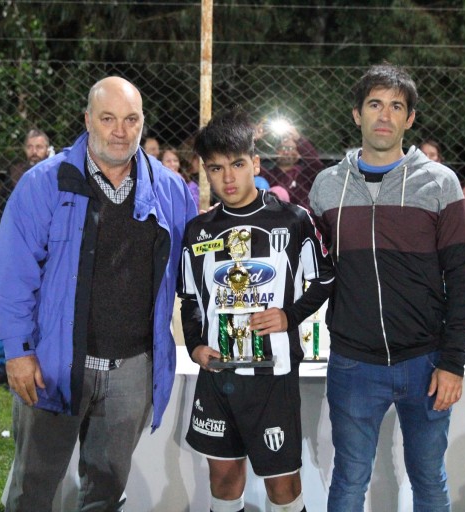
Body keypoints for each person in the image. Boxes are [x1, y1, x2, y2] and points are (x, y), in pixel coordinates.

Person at [0, 76, 197, 512]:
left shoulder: (171, 190)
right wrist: (17, 351)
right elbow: (13, 275)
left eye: (131, 119)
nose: (120, 131)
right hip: (53, 365)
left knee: (105, 494)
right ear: (87, 120)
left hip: (132, 371)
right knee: (32, 490)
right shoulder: (43, 184)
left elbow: (192, 274)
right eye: (108, 119)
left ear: (142, 123)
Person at [309, 63, 465, 511]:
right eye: (375, 104)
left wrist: (453, 362)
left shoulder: (440, 183)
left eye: (396, 106)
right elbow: (315, 270)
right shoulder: (326, 187)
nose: (384, 115)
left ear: (410, 118)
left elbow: (463, 279)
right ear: (357, 114)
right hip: (353, 363)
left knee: (428, 479)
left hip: (425, 361)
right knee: (348, 480)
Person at [178, 108, 334, 512]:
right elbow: (190, 299)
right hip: (218, 377)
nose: (228, 178)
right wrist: (195, 346)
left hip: (272, 378)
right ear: (205, 172)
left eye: (237, 164)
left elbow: (325, 278)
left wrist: (289, 316)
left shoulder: (293, 220)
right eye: (216, 168)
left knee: (282, 486)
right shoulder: (198, 231)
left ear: (256, 163)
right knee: (224, 479)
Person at [258, 122, 323, 210]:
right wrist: (252, 139)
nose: (286, 152)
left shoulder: (305, 174)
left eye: (291, 148)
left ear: (299, 154)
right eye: (283, 148)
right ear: (277, 151)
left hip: (300, 216)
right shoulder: (267, 175)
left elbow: (316, 164)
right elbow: (249, 165)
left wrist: (298, 139)